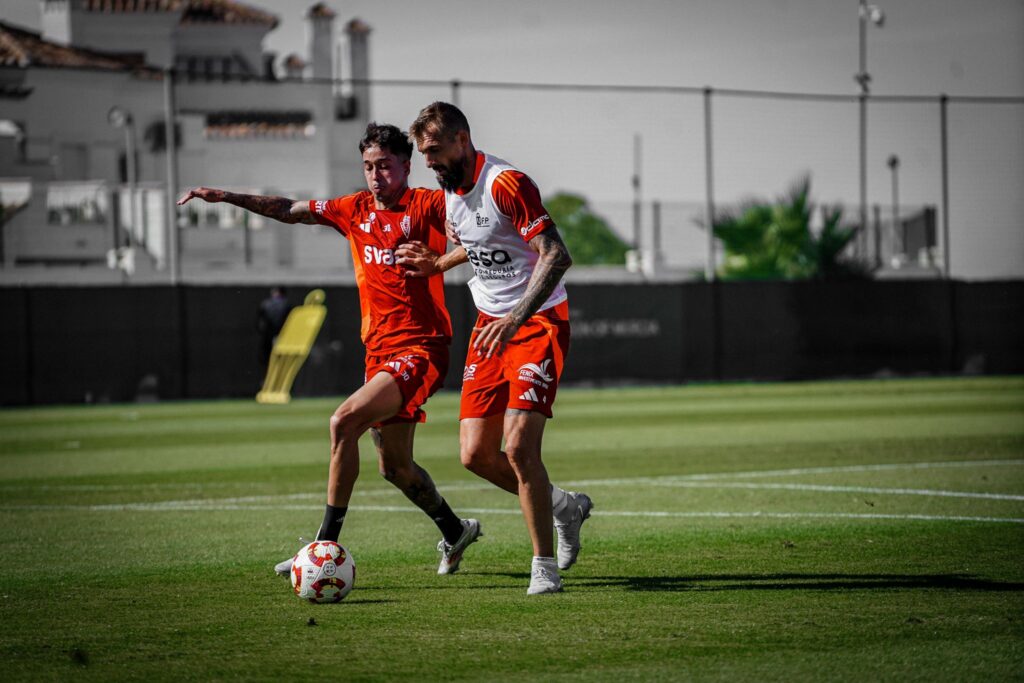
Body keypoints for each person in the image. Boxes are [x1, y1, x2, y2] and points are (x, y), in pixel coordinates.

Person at [177, 122, 482, 577]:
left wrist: (444, 257)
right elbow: (289, 209)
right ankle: (455, 530)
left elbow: (477, 237)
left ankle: (322, 548)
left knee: (343, 422)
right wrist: (227, 197)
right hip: (378, 353)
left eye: (384, 166)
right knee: (395, 468)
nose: (376, 175)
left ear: (406, 165)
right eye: (368, 166)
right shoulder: (352, 209)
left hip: (422, 349)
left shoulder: (430, 204)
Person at [397, 102, 592, 595]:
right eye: (424, 153)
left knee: (518, 448)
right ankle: (565, 507)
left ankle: (543, 569)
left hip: (537, 322)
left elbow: (556, 254)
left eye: (435, 150)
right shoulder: (449, 193)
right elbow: (479, 241)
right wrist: (440, 263)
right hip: (491, 327)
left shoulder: (507, 182)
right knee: (475, 455)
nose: (429, 162)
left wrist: (515, 319)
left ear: (462, 140)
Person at [257, 285, 291, 370]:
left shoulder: (266, 304)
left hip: (268, 335)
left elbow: (260, 323)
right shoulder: (287, 304)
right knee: (280, 359)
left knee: (268, 359)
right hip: (282, 335)